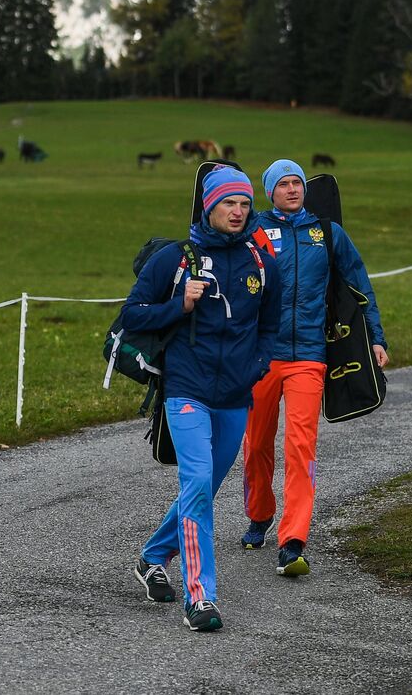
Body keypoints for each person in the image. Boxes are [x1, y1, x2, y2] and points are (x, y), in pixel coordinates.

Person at [121, 166, 281, 633]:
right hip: (186, 390)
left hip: (235, 394)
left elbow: (269, 326)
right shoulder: (175, 258)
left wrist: (258, 366)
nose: (238, 212)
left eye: (245, 204)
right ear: (209, 207)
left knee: (205, 488)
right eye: (228, 203)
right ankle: (200, 597)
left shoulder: (261, 260)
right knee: (196, 484)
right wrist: (180, 305)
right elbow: (133, 313)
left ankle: (152, 557)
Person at [242, 158, 388, 576]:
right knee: (255, 444)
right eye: (283, 184)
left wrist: (376, 337)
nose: (292, 189)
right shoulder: (253, 231)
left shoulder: (326, 233)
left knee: (300, 447)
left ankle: (293, 540)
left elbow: (359, 284)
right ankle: (260, 513)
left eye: (297, 183)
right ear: (270, 191)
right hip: (261, 356)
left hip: (309, 355)